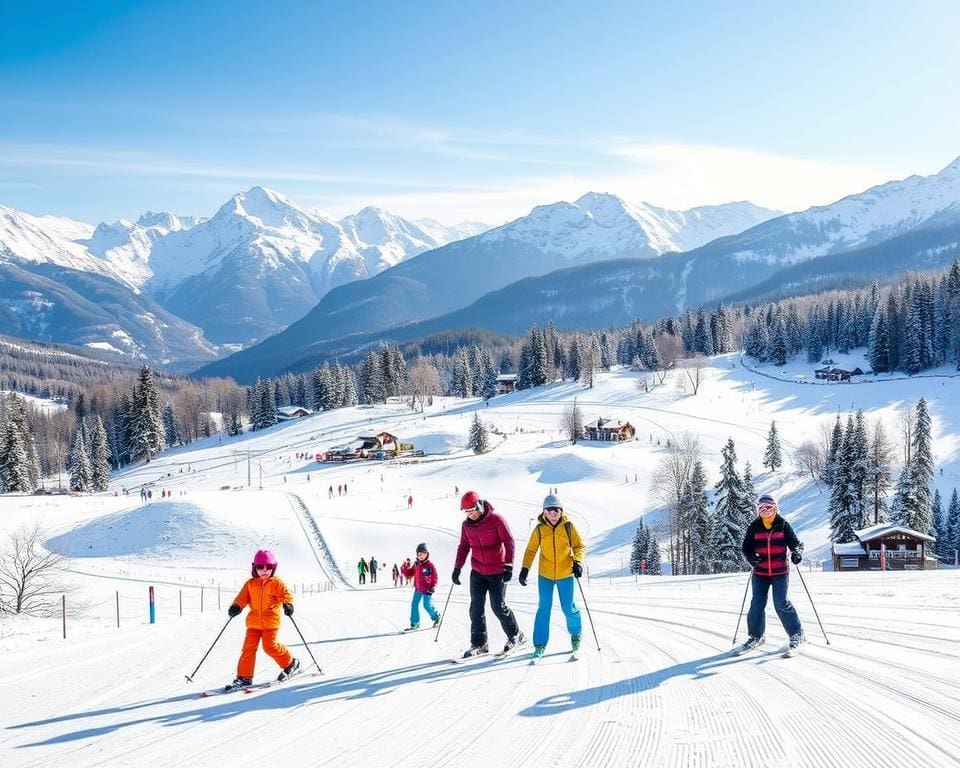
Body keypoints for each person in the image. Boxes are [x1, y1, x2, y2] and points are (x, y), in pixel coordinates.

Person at [452, 490, 524, 658]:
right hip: (477, 571)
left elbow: (509, 541)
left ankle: (516, 636)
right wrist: (457, 568)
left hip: (497, 571)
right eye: (467, 512)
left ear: (479, 505)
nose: (471, 514)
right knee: (475, 608)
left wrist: (509, 566)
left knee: (498, 606)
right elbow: (463, 546)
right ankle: (479, 644)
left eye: (473, 510)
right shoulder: (466, 525)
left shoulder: (496, 520)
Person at [518, 494, 584, 658]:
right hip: (545, 575)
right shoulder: (539, 529)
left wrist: (578, 562)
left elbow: (578, 546)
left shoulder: (569, 527)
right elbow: (531, 550)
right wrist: (525, 568)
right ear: (544, 512)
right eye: (550, 510)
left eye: (556, 510)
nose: (553, 514)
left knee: (568, 607)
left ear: (561, 511)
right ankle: (540, 644)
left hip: (565, 573)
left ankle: (576, 634)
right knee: (544, 608)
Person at [740, 494, 805, 653]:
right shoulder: (754, 526)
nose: (765, 510)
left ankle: (797, 634)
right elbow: (746, 547)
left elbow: (796, 544)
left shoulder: (783, 525)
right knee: (757, 604)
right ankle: (756, 636)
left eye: (768, 507)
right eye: (761, 508)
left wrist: (797, 553)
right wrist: (751, 558)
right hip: (760, 573)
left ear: (775, 508)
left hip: (780, 572)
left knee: (781, 603)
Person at [225, 549, 299, 688]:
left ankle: (290, 663)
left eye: (268, 567)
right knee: (248, 649)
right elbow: (242, 598)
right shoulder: (250, 584)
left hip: (270, 623)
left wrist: (288, 605)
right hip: (253, 623)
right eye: (260, 567)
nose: (264, 571)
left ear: (273, 567)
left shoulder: (276, 583)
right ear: (255, 567)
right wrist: (236, 606)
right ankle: (244, 677)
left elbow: (286, 595)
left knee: (269, 647)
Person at [401, 543, 441, 630]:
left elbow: (435, 577)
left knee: (426, 605)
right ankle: (415, 623)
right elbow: (409, 574)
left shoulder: (430, 565)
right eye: (418, 554)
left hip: (427, 589)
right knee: (414, 604)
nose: (420, 556)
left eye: (422, 554)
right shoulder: (416, 564)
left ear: (426, 554)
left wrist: (432, 586)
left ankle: (436, 616)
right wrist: (404, 568)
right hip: (418, 589)